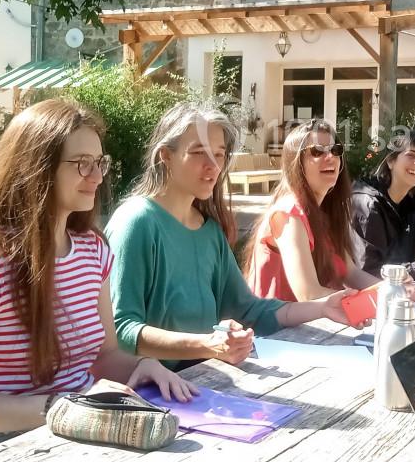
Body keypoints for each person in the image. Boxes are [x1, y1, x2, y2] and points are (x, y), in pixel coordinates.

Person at [0, 97, 196, 444]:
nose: (98, 176)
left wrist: (141, 366)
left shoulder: (93, 251)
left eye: (100, 162)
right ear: (35, 168)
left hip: (84, 432)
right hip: (2, 450)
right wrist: (64, 406)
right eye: (82, 164)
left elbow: (104, 356)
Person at [107, 103, 354, 368]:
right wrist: (207, 345)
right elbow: (120, 329)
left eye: (219, 154)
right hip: (150, 394)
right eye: (199, 153)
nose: (212, 165)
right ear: (166, 155)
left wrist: (323, 307)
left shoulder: (209, 230)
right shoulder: (135, 222)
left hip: (205, 386)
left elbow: (249, 310)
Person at [245, 120, 415, 304]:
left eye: (335, 150)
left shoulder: (325, 215)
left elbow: (351, 274)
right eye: (316, 151)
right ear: (296, 162)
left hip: (311, 328)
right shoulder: (290, 214)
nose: (330, 157)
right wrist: (389, 296)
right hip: (275, 334)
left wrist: (399, 290)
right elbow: (309, 294)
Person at [350, 129, 415, 280]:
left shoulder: (410, 205)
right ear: (391, 161)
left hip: (400, 292)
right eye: (411, 155)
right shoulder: (368, 205)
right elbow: (368, 271)